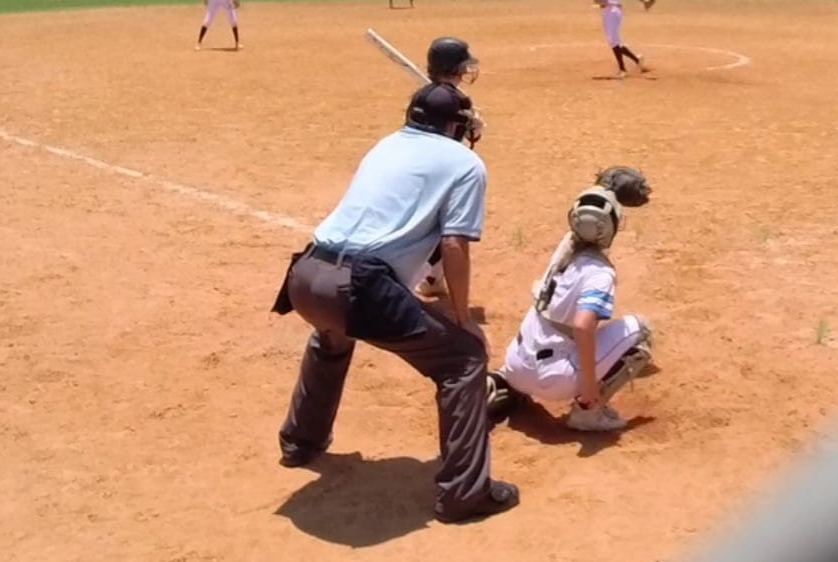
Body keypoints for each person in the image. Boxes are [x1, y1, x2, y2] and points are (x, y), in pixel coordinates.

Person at [269, 59, 517, 524]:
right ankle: (465, 493)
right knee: (463, 359)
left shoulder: (385, 144)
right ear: (455, 126)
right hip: (358, 285)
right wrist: (463, 319)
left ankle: (300, 442)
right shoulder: (466, 163)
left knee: (332, 335)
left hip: (305, 273)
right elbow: (454, 244)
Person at [488, 167, 656, 433]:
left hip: (515, 364)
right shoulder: (600, 273)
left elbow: (587, 216)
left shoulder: (564, 247)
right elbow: (582, 325)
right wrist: (588, 387)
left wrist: (604, 189)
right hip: (553, 379)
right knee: (641, 331)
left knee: (549, 322)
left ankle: (502, 384)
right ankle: (587, 412)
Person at [411, 37, 484, 301]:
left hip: (416, 168)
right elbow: (452, 143)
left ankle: (432, 279)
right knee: (446, 228)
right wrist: (473, 126)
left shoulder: (423, 96)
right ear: (455, 68)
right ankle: (415, 279)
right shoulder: (455, 101)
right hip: (440, 174)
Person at [587, 0, 654, 78]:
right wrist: (611, 2)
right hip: (606, 11)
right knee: (614, 41)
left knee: (613, 41)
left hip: (614, 12)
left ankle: (623, 69)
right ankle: (637, 60)